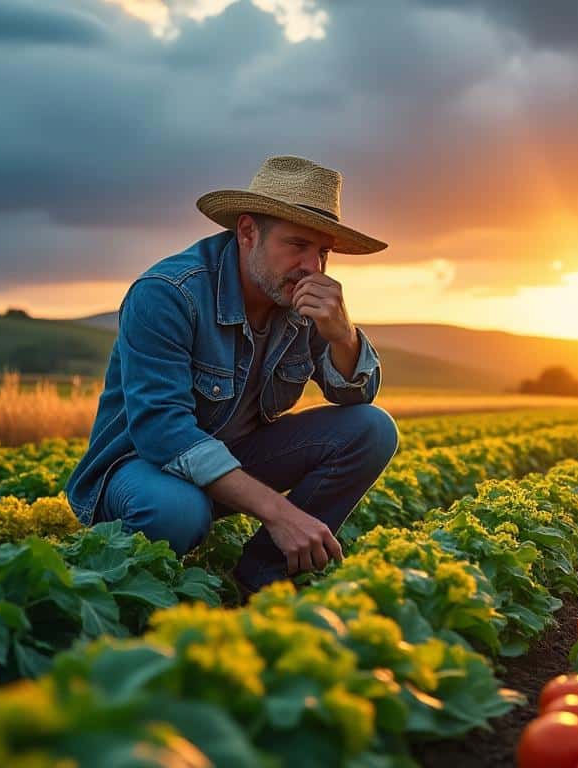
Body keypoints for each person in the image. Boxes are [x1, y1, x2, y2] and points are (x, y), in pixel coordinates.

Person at [65, 155, 399, 594]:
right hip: (141, 468)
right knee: (177, 512)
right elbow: (163, 433)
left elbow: (355, 399)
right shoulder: (168, 294)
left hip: (233, 463)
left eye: (322, 252)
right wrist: (279, 513)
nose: (312, 267)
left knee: (372, 429)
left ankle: (260, 577)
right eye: (297, 245)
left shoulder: (298, 298)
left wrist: (343, 336)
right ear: (247, 232)